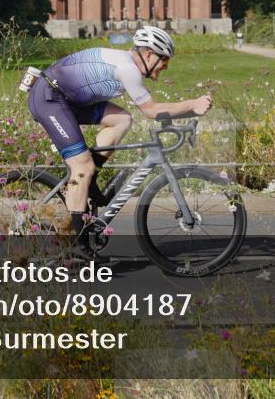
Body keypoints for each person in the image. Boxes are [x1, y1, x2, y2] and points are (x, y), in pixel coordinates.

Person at [27, 26, 212, 253]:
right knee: (82, 168)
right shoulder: (128, 69)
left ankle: (88, 180)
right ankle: (76, 248)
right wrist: (192, 105)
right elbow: (152, 111)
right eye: (164, 61)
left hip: (66, 98)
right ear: (149, 55)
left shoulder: (127, 63)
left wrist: (189, 112)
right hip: (50, 100)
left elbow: (151, 111)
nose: (165, 67)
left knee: (122, 119)